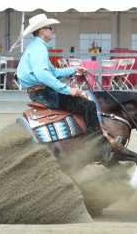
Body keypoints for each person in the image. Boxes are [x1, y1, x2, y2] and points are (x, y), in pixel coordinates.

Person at [17, 14, 118, 163]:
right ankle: (96, 148)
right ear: (42, 31)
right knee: (88, 105)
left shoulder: (36, 47)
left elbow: (53, 72)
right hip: (43, 93)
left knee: (83, 103)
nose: (52, 30)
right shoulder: (39, 49)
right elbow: (43, 74)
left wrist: (73, 70)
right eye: (50, 28)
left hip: (41, 90)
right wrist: (67, 90)